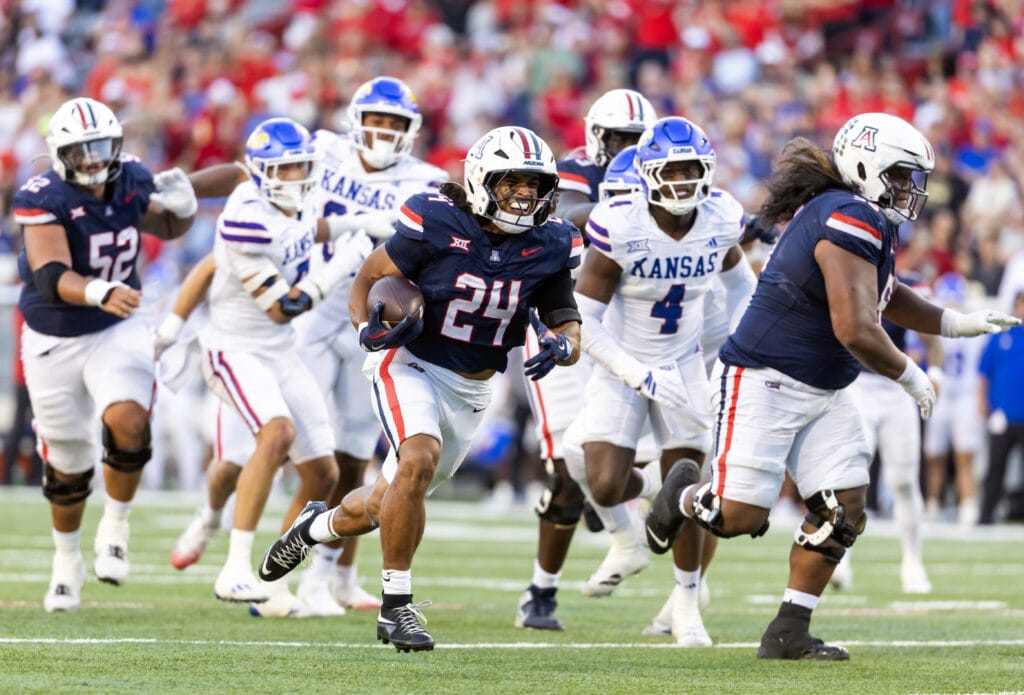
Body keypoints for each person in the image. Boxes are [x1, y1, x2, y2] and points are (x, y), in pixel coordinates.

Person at [644, 112, 1020, 660]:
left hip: (822, 387)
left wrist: (953, 322)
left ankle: (789, 630)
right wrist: (910, 374)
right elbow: (856, 326)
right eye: (900, 175)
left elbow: (883, 295)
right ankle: (680, 495)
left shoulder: (865, 217)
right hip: (765, 377)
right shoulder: (848, 214)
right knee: (738, 516)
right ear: (866, 166)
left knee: (846, 505)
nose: (909, 190)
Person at [258, 125, 583, 652]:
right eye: (511, 182)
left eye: (534, 184)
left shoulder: (552, 243)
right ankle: (397, 609)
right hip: (410, 361)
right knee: (417, 458)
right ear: (481, 181)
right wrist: (366, 327)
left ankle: (314, 529)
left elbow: (565, 317)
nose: (524, 194)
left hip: (473, 388)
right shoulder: (436, 221)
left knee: (387, 501)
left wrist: (565, 346)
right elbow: (368, 276)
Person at [180, 76, 446, 613]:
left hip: (375, 323)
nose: (384, 131)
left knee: (347, 457)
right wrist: (182, 187)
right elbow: (243, 172)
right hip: (306, 316)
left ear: (412, 130)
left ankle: (323, 577)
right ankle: (212, 520)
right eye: (377, 119)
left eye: (396, 123)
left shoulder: (430, 180)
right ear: (354, 120)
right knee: (258, 445)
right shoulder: (319, 150)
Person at [563, 116, 757, 647]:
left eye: (693, 169)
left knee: (691, 481)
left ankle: (687, 604)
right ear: (648, 173)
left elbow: (744, 290)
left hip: (686, 366)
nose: (683, 181)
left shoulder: (719, 217)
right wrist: (634, 372)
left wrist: (737, 352)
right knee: (603, 482)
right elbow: (585, 319)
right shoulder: (620, 224)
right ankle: (652, 489)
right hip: (625, 364)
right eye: (671, 170)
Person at [14, 96, 197, 612]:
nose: (94, 158)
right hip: (55, 333)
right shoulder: (42, 194)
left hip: (119, 325)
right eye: (82, 149)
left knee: (129, 418)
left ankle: (116, 523)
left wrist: (182, 206)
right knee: (69, 458)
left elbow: (163, 225)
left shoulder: (133, 177)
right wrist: (98, 290)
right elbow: (49, 275)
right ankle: (66, 560)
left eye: (101, 146)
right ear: (60, 153)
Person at [184, 117, 371, 615]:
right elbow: (284, 306)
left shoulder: (293, 199)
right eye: (284, 170)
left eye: (300, 167)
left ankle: (274, 578)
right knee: (277, 433)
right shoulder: (243, 217)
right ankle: (235, 568)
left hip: (279, 349)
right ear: (262, 173)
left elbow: (305, 230)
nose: (295, 177)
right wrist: (341, 263)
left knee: (323, 472)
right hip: (235, 347)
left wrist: (355, 225)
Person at [515, 89, 658, 633]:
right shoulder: (572, 169)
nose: (624, 147)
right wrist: (625, 207)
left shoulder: (664, 175)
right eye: (616, 137)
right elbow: (570, 214)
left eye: (634, 140)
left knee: (623, 461)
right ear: (597, 137)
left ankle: (619, 515)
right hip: (560, 324)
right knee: (565, 471)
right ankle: (541, 590)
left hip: (622, 332)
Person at [845, 274, 943, 594]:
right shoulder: (842, 270)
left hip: (896, 384)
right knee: (850, 475)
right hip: (855, 383)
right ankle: (838, 553)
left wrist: (936, 373)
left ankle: (912, 560)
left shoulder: (904, 282)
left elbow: (931, 336)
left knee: (903, 479)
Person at [923, 273, 985, 525]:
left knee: (962, 456)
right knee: (936, 455)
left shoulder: (935, 325)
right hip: (946, 396)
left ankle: (964, 504)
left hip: (961, 396)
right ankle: (937, 503)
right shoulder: (941, 326)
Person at [977, 290, 1024, 524]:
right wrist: (983, 403)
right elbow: (984, 373)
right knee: (995, 468)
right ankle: (985, 515)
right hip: (1002, 414)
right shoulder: (1002, 334)